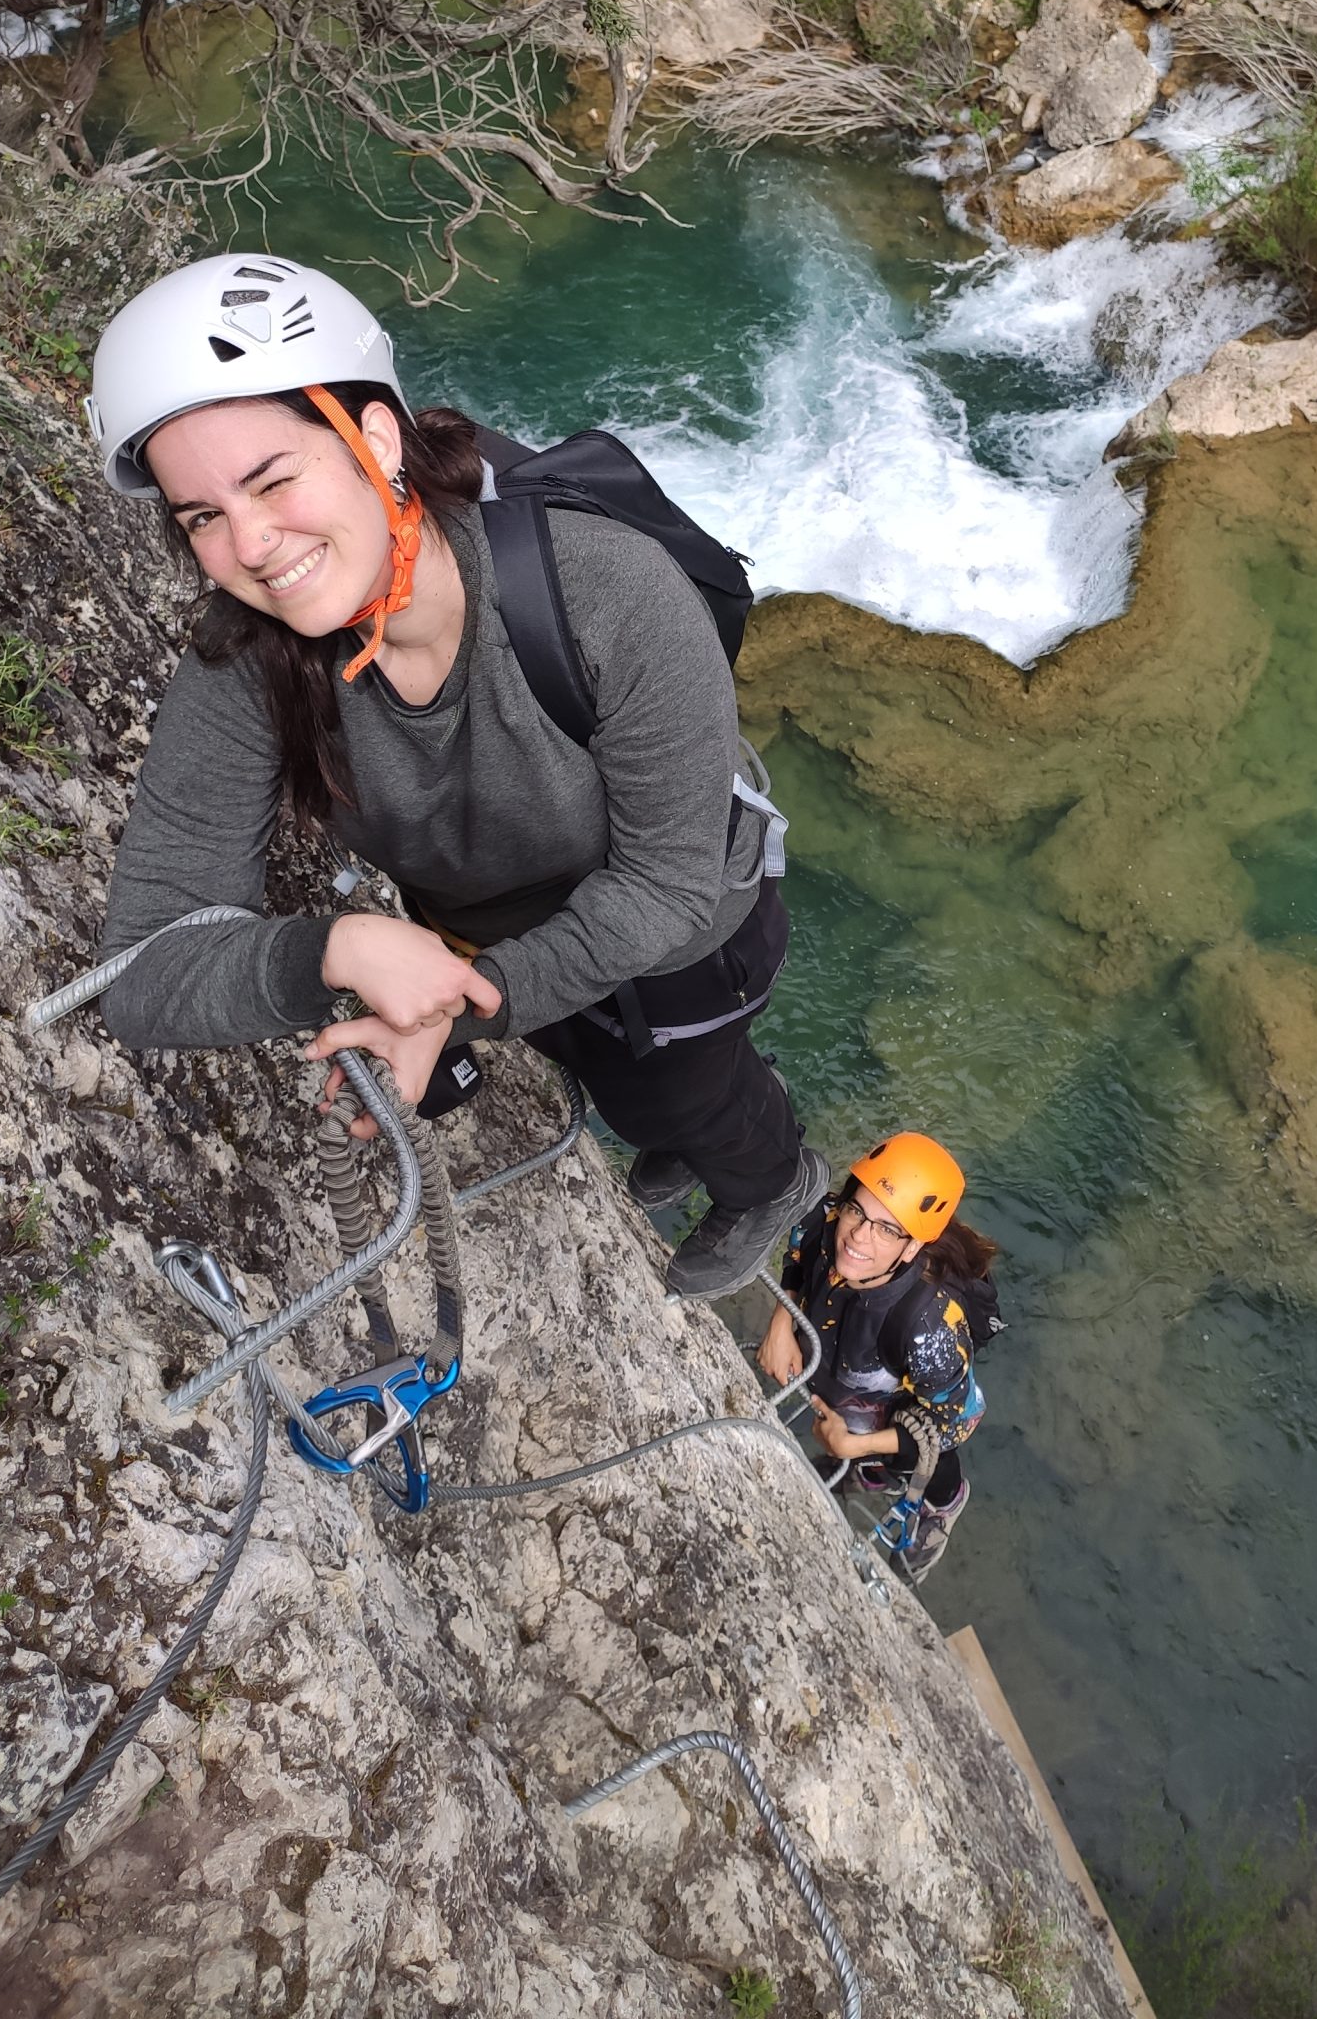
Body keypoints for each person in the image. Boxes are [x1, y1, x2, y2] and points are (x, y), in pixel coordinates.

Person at [86, 251, 824, 1297]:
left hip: (690, 931)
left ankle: (771, 1180)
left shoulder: (605, 590)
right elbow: (142, 968)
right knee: (620, 1077)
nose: (248, 544)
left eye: (273, 477)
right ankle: (674, 1123)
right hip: (501, 931)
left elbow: (660, 887)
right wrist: (332, 948)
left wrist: (458, 1007)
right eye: (201, 515)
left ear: (372, 438)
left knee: (690, 1092)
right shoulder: (253, 654)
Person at [758, 1132, 998, 1582]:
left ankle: (941, 1505)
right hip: (849, 1387)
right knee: (865, 1443)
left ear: (912, 1248)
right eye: (858, 1210)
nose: (858, 1238)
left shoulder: (928, 1329)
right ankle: (871, 1471)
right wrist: (781, 1322)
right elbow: (797, 1255)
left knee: (919, 1459)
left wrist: (858, 1445)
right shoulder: (824, 1220)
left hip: (909, 1418)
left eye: (887, 1229)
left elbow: (947, 1426)